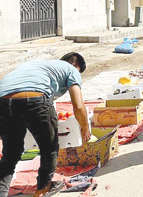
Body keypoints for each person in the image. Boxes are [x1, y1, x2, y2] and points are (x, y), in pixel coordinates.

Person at [0, 52, 91, 197]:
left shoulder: (36, 65)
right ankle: (43, 188)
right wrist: (85, 127)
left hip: (2, 100)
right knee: (49, 147)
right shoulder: (71, 69)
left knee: (10, 154)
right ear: (75, 65)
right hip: (36, 97)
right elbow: (79, 106)